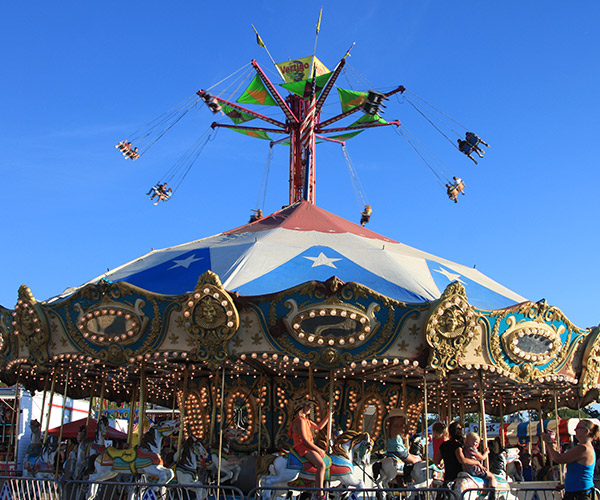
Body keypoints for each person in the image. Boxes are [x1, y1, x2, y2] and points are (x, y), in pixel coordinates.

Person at [542, 419, 600, 500]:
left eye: (577, 428)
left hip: (580, 494)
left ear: (586, 431)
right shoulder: (586, 447)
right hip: (578, 491)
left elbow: (559, 459)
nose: (575, 430)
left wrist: (549, 442)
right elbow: (579, 472)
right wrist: (567, 484)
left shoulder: (583, 448)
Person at [288, 398, 329, 496]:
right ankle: (320, 494)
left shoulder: (305, 420)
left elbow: (319, 427)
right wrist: (318, 449)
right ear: (301, 408)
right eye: (307, 406)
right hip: (302, 447)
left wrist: (328, 416)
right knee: (321, 465)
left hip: (306, 446)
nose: (310, 408)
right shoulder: (300, 421)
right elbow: (305, 440)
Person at [434, 421, 480, 486]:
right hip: (459, 476)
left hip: (448, 476)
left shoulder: (443, 445)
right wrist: (476, 462)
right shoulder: (457, 445)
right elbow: (462, 460)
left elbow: (436, 461)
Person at [463, 432, 497, 497]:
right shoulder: (472, 449)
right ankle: (492, 494)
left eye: (477, 443)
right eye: (474, 442)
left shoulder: (464, 448)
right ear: (469, 441)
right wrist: (486, 452)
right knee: (491, 477)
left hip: (466, 469)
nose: (476, 444)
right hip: (474, 470)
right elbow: (482, 458)